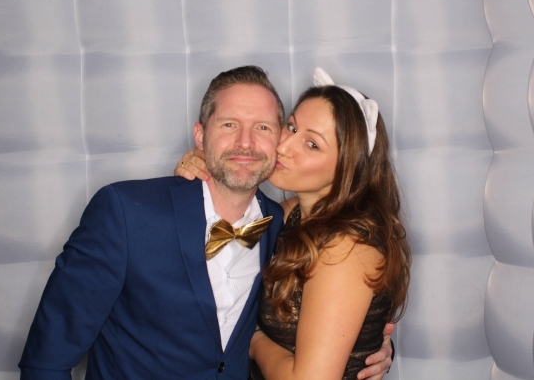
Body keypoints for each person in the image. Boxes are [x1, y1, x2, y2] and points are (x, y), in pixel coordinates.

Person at [19, 66, 393, 380]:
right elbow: (46, 360)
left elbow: (342, 302)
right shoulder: (128, 213)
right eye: (229, 124)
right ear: (200, 135)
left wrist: (369, 340)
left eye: (263, 127)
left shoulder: (285, 228)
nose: (246, 143)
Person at [176, 68, 411, 380]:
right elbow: (226, 239)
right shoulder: (289, 215)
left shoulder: (347, 248)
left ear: (348, 167)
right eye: (292, 127)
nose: (284, 147)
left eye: (312, 144)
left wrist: (250, 338)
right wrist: (195, 171)